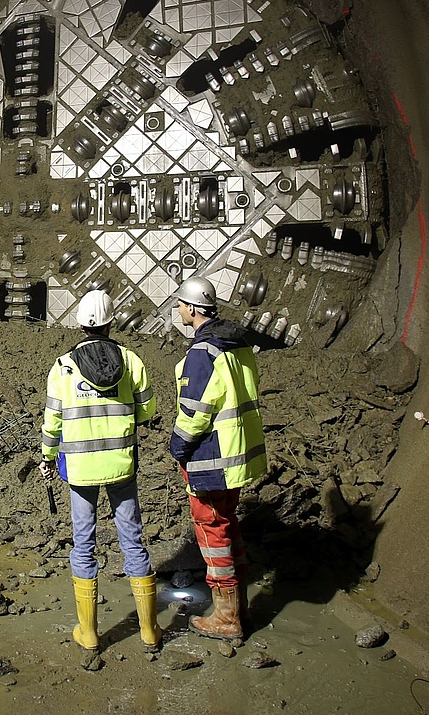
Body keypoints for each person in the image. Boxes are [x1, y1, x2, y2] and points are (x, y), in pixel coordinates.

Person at [39, 289, 162, 652]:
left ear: (79, 323)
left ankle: (90, 633)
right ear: (111, 321)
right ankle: (150, 631)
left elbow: (52, 420)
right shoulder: (130, 360)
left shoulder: (63, 367)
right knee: (133, 541)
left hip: (80, 471)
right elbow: (148, 411)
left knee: (83, 544)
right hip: (122, 466)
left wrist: (47, 457)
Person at [169, 275, 267, 642]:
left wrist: (177, 447)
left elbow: (195, 411)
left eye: (180, 304)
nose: (178, 309)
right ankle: (237, 607)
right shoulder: (236, 346)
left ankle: (227, 619)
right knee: (228, 526)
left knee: (213, 534)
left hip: (212, 458)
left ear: (193, 309)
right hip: (238, 456)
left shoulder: (202, 353)